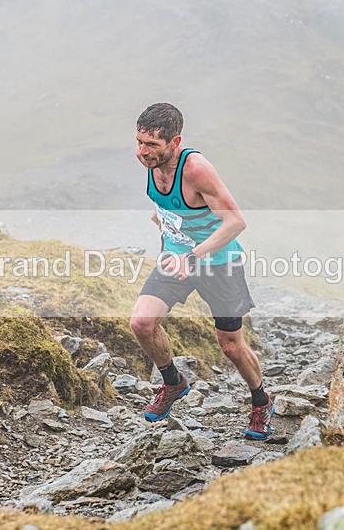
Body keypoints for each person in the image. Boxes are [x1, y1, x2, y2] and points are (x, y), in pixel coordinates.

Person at [129, 103, 274, 440]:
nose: (142, 152)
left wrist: (192, 256)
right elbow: (165, 207)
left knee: (230, 345)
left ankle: (261, 401)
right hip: (176, 258)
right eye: (138, 142)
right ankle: (173, 382)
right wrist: (166, 235)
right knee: (142, 323)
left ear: (175, 141)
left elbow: (236, 221)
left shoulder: (196, 169)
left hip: (220, 262)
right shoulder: (151, 164)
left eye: (151, 145)